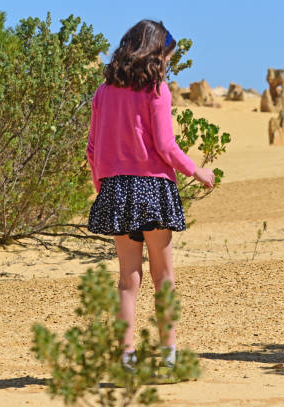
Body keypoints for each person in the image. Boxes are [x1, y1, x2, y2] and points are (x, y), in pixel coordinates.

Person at [86, 19, 214, 367]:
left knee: (128, 280)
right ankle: (169, 356)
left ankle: (127, 358)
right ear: (155, 54)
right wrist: (197, 170)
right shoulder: (156, 90)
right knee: (163, 276)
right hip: (153, 186)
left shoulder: (103, 92)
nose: (168, 63)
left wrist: (105, 187)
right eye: (167, 57)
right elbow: (165, 146)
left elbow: (92, 148)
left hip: (115, 187)